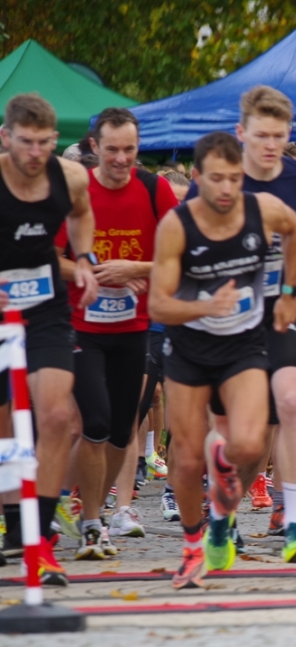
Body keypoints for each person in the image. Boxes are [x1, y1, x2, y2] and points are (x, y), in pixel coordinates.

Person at [149, 131, 296, 588]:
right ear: (197, 177)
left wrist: (289, 293)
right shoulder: (177, 226)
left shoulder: (264, 210)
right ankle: (192, 548)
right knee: (185, 460)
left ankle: (221, 487)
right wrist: (204, 305)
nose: (226, 189)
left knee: (250, 445)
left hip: (243, 344)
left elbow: (295, 232)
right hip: (189, 348)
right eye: (216, 179)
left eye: (234, 179)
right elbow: (158, 305)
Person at [188, 87, 296, 548]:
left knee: (292, 402)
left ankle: (294, 523)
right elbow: (185, 237)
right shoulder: (220, 178)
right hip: (226, 315)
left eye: (278, 136)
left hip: (276, 307)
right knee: (237, 433)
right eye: (261, 136)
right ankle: (221, 513)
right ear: (241, 133)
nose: (271, 145)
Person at [54, 107, 177, 554]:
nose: (122, 159)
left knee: (122, 432)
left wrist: (135, 269)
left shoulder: (155, 189)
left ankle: (86, 509)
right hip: (80, 326)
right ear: (94, 146)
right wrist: (89, 273)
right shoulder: (77, 190)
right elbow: (51, 258)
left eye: (130, 149)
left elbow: (181, 253)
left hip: (134, 327)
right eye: (112, 150)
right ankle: (87, 520)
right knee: (95, 422)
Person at [0, 93, 99, 584]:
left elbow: (81, 214)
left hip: (44, 307)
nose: (35, 153)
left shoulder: (72, 176)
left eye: (44, 142)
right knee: (4, 423)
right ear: (6, 138)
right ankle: (13, 524)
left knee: (58, 417)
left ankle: (38, 540)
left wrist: (84, 259)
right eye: (26, 142)